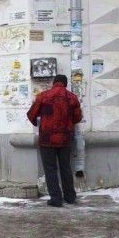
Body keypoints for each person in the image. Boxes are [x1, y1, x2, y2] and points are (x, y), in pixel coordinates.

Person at [27, 74, 83, 207]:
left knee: (50, 169)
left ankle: (56, 198)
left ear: (54, 83)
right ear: (65, 84)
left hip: (47, 139)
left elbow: (31, 114)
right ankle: (70, 196)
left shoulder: (43, 96)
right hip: (65, 138)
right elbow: (78, 117)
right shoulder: (72, 97)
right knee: (65, 167)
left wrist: (39, 123)